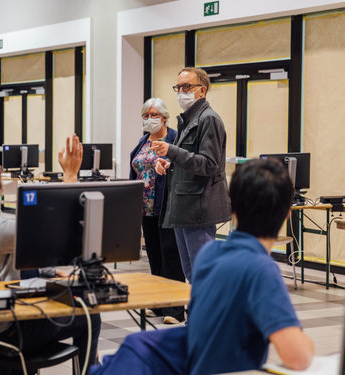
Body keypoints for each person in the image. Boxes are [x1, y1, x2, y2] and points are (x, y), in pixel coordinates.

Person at [88, 158, 314, 375]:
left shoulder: (209, 255)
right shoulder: (261, 269)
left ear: (231, 207)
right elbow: (298, 357)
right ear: (286, 215)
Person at [0, 134, 101, 371]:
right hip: (4, 336)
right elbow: (56, 226)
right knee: (89, 317)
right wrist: (70, 175)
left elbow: (21, 255)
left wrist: (51, 271)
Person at [151, 67, 231, 283]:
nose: (181, 92)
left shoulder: (209, 119)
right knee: (191, 274)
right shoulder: (187, 121)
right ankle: (195, 318)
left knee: (203, 276)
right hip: (183, 209)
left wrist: (171, 151)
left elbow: (209, 164)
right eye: (178, 87)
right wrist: (168, 163)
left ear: (201, 91)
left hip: (199, 210)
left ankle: (208, 317)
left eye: (187, 87)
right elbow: (188, 158)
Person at [130, 98, 185, 324]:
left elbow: (181, 165)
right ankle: (160, 303)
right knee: (154, 255)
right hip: (146, 208)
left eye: (154, 114)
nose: (150, 119)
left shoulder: (173, 138)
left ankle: (175, 309)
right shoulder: (143, 141)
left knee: (170, 255)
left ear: (164, 117)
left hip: (167, 205)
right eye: (146, 115)